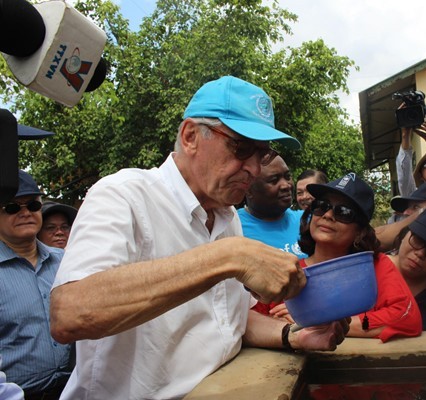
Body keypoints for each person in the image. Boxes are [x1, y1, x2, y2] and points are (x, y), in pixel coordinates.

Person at [49, 76, 349, 400]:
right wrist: (227, 257)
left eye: (261, 154)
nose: (253, 168)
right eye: (241, 147)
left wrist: (293, 336)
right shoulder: (123, 195)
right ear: (190, 136)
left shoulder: (227, 215)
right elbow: (71, 313)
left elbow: (231, 319)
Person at [271, 172, 422, 341]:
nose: (328, 215)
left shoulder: (376, 266)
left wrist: (314, 321)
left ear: (360, 230)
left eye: (343, 212)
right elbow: (251, 319)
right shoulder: (289, 269)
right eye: (322, 205)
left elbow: (406, 318)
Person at [0, 170, 72, 399]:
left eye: (32, 205)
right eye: (12, 207)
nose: (25, 213)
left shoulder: (66, 262)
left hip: (73, 390)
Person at [237, 155, 305, 257]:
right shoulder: (232, 227)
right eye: (274, 180)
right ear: (248, 190)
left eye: (287, 177)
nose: (286, 185)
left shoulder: (307, 221)